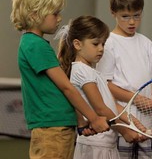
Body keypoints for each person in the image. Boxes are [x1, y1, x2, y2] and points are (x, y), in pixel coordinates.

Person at [10, 0, 109, 159]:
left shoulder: (34, 44)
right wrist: (93, 119)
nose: (59, 18)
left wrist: (80, 120)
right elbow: (66, 87)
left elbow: (57, 89)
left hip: (57, 126)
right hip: (52, 129)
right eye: (55, 13)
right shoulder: (36, 45)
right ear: (34, 15)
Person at [56, 15, 146, 159]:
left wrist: (135, 123)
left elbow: (112, 105)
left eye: (103, 44)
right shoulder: (81, 70)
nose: (101, 49)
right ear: (77, 44)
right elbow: (100, 108)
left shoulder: (93, 72)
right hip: (95, 145)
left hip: (106, 144)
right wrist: (124, 131)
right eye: (95, 44)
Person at [96, 0, 152, 159]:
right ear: (113, 12)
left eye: (137, 15)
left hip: (148, 126)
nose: (132, 22)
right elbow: (104, 86)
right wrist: (137, 99)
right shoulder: (107, 44)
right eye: (125, 16)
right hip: (123, 124)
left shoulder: (147, 44)